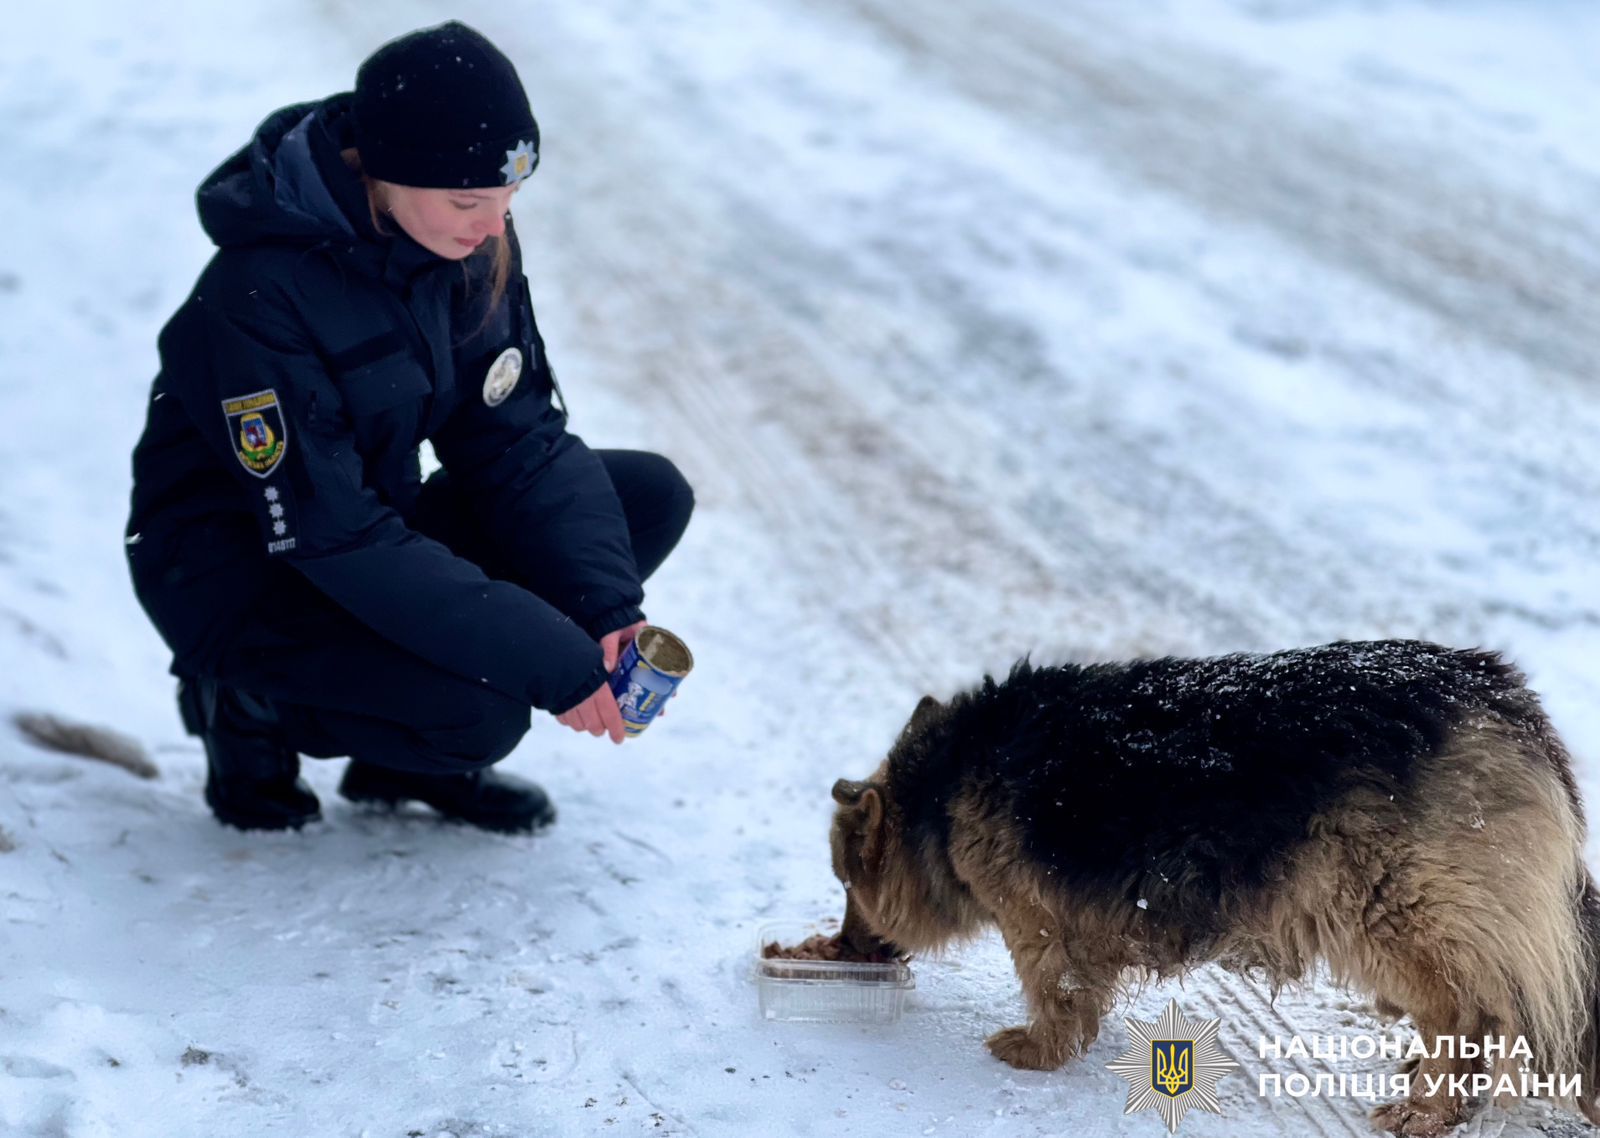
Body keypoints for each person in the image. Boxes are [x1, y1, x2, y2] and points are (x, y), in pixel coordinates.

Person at [124, 21, 693, 835]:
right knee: (483, 712)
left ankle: (398, 764)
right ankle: (246, 702)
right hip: (246, 571)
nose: (494, 225)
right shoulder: (258, 297)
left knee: (644, 497)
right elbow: (334, 536)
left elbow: (517, 441)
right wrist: (547, 660)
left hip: (359, 522)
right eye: (470, 201)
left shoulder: (461, 238)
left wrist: (605, 608)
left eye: (509, 198)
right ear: (388, 174)